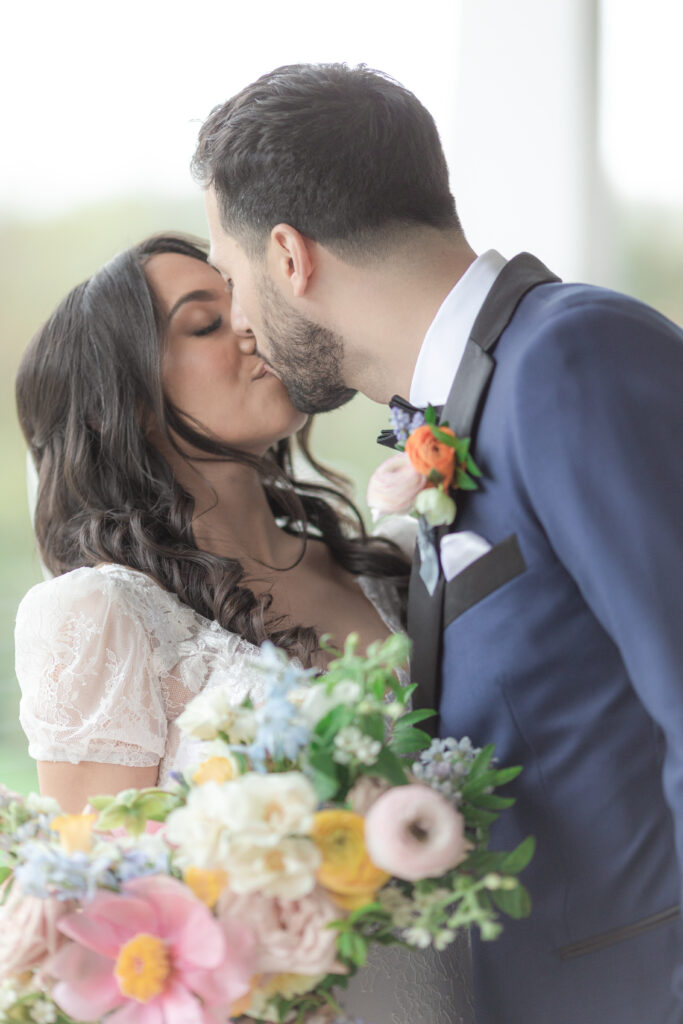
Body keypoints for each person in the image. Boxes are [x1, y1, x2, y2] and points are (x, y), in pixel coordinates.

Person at [191, 63, 683, 1024]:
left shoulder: (571, 359)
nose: (240, 319)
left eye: (228, 273)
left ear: (289, 257)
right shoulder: (470, 404)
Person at [14, 232, 474, 1024]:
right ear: (127, 400)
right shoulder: (99, 614)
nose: (253, 328)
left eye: (245, 301)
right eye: (204, 323)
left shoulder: (388, 563)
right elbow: (101, 922)